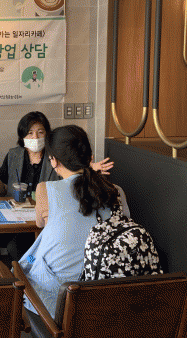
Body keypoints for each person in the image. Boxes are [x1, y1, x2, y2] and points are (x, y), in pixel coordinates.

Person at [0, 111, 113, 277]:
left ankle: (23, 275)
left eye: (40, 132)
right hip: (17, 217)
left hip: (42, 226)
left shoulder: (57, 159)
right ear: (22, 136)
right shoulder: (14, 155)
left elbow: (71, 179)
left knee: (20, 250)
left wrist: (85, 168)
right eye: (30, 133)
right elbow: (1, 189)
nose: (35, 137)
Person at [18, 125, 129, 327]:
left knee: (22, 266)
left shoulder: (45, 189)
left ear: (54, 160)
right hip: (107, 293)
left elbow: (40, 224)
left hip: (59, 300)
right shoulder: (116, 191)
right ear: (89, 157)